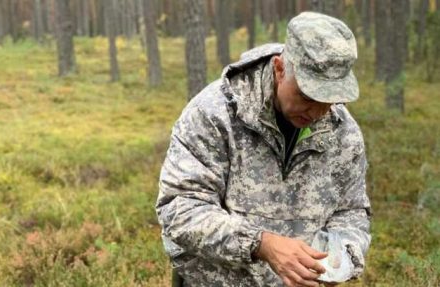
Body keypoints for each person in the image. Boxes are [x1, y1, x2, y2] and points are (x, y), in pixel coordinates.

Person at [156, 12, 371, 287]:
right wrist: (262, 244)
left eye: (329, 99)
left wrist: (338, 261)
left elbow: (352, 212)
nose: (317, 112)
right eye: (307, 96)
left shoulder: (343, 132)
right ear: (280, 69)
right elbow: (179, 208)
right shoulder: (214, 114)